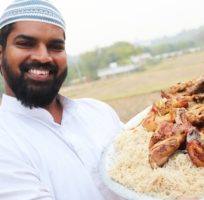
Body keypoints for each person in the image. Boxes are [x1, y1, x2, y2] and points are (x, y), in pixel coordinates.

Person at [0, 0, 124, 199]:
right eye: (25, 44)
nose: (43, 57)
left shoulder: (100, 113)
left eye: (55, 46)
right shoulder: (5, 141)